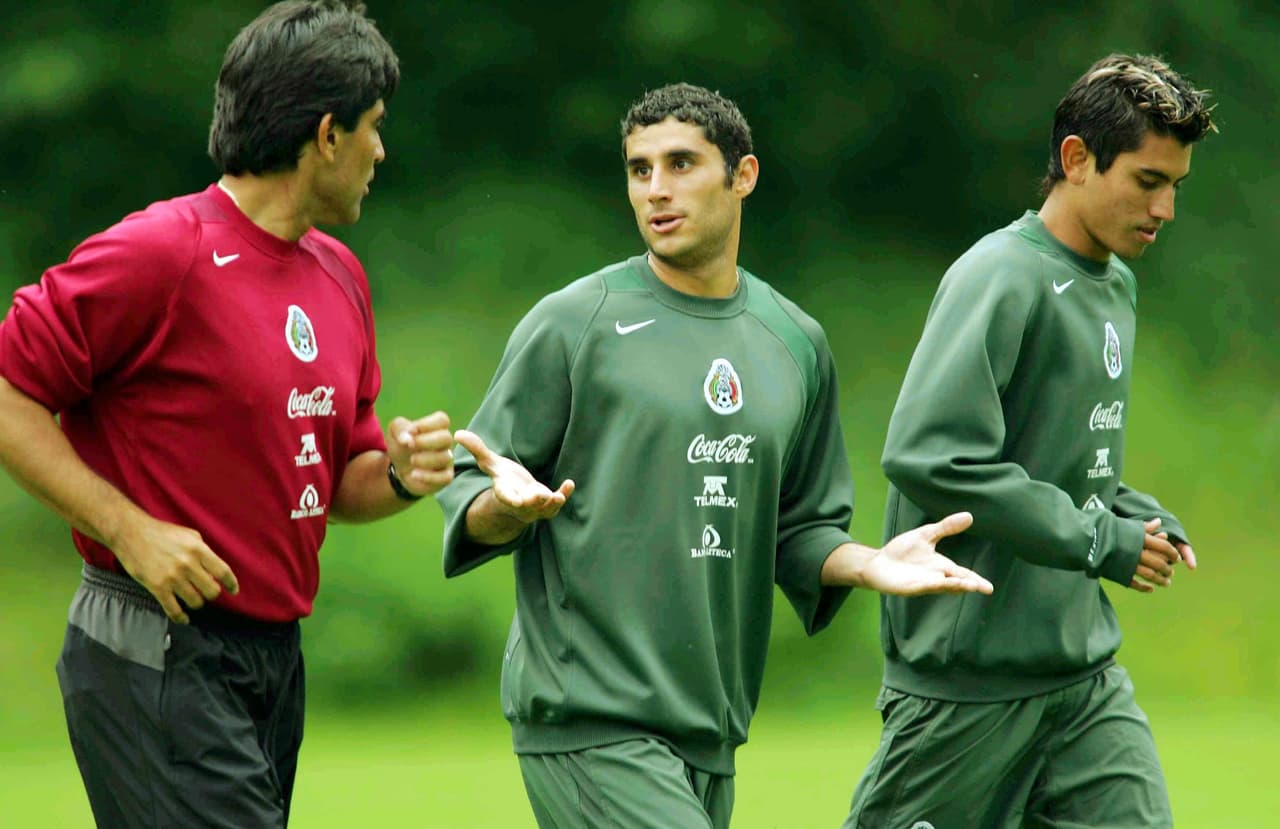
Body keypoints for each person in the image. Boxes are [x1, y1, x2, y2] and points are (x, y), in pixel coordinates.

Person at [436, 82, 993, 829]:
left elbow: (800, 530)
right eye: (639, 170)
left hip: (712, 728)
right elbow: (473, 489)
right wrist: (501, 506)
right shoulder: (576, 324)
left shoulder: (794, 341)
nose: (655, 191)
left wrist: (867, 562)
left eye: (680, 164)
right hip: (590, 718)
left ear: (743, 175)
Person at [0, 2, 454, 826]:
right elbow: (8, 389)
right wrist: (130, 529)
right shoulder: (162, 251)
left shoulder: (340, 273)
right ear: (326, 135)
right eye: (374, 127)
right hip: (153, 640)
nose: (381, 150)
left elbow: (341, 477)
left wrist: (399, 472)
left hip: (274, 660)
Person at [842, 54, 1216, 829]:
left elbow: (1061, 461)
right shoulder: (1000, 277)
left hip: (1082, 683)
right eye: (1149, 181)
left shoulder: (1115, 284)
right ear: (1076, 160)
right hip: (968, 691)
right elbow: (932, 454)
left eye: (1176, 185)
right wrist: (1097, 540)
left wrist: (1132, 515)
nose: (1166, 208)